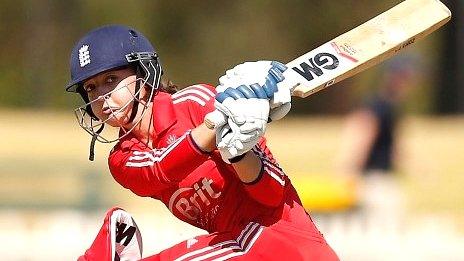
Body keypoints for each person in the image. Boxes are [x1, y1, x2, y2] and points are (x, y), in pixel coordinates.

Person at [66, 25, 339, 260]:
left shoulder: (195, 102)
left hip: (283, 242)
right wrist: (215, 125)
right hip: (234, 247)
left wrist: (239, 152)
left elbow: (272, 194)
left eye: (111, 80)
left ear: (144, 74)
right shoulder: (123, 158)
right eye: (91, 87)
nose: (101, 96)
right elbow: (160, 168)